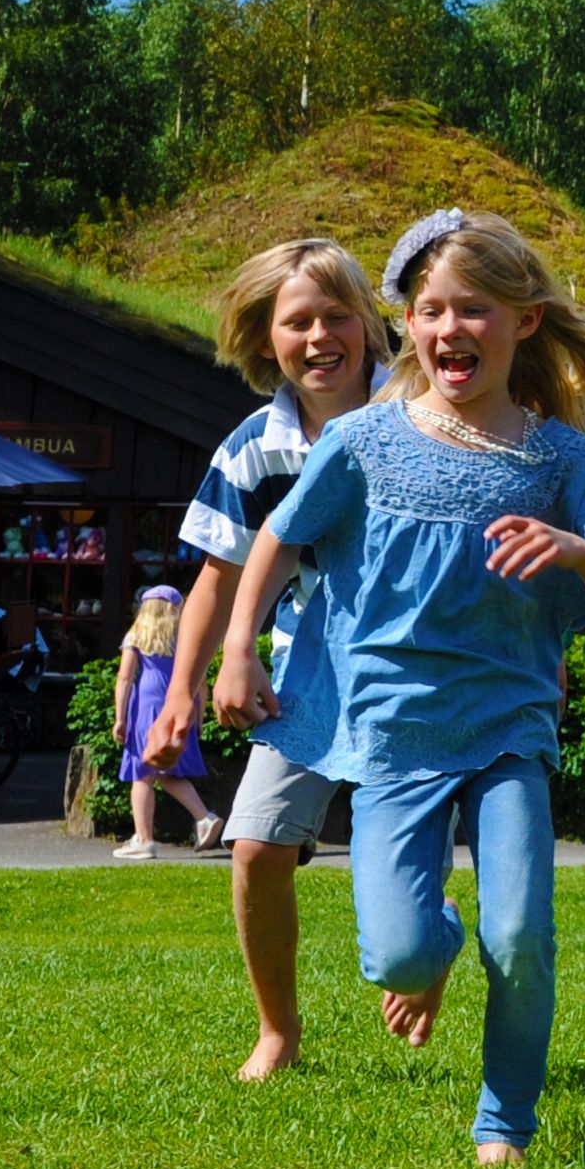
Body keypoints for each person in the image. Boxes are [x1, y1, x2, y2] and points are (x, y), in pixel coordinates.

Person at [218, 210, 585, 1165]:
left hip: (509, 730)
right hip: (393, 735)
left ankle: (505, 1123)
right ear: (406, 325)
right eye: (432, 310)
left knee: (523, 934)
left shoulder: (561, 460)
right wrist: (239, 647)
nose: (453, 329)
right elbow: (280, 540)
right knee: (401, 955)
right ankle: (434, 939)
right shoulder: (366, 441)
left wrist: (576, 547)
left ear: (525, 321)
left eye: (477, 309)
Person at [158, 235, 395, 1078]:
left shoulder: (423, 413)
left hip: (416, 669)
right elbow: (217, 578)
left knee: (397, 848)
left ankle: (415, 947)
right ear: (266, 339)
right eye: (299, 322)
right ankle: (278, 1034)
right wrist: (187, 688)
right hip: (306, 674)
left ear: (370, 325)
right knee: (256, 847)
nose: (321, 336)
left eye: (340, 316)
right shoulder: (253, 448)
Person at [108, 585, 220, 861]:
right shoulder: (185, 638)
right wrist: (198, 716)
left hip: (146, 707)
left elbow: (124, 678)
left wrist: (120, 718)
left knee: (142, 774)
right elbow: (200, 679)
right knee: (167, 773)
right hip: (178, 704)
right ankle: (204, 817)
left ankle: (144, 839)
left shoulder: (137, 635)